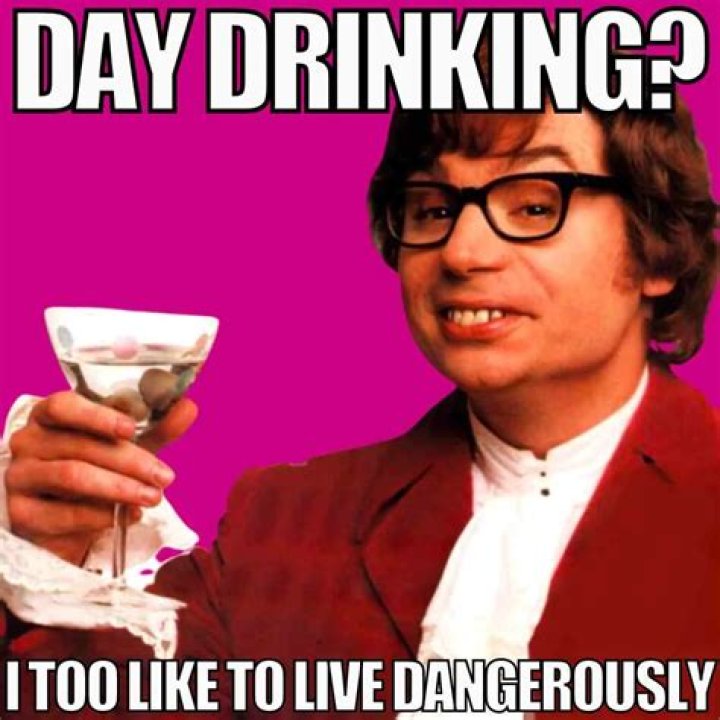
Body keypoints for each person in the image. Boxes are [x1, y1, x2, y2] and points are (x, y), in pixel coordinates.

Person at [0, 93, 718, 717]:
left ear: (659, 251)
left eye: (534, 204)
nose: (462, 252)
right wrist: (46, 556)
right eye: (434, 208)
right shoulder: (280, 518)